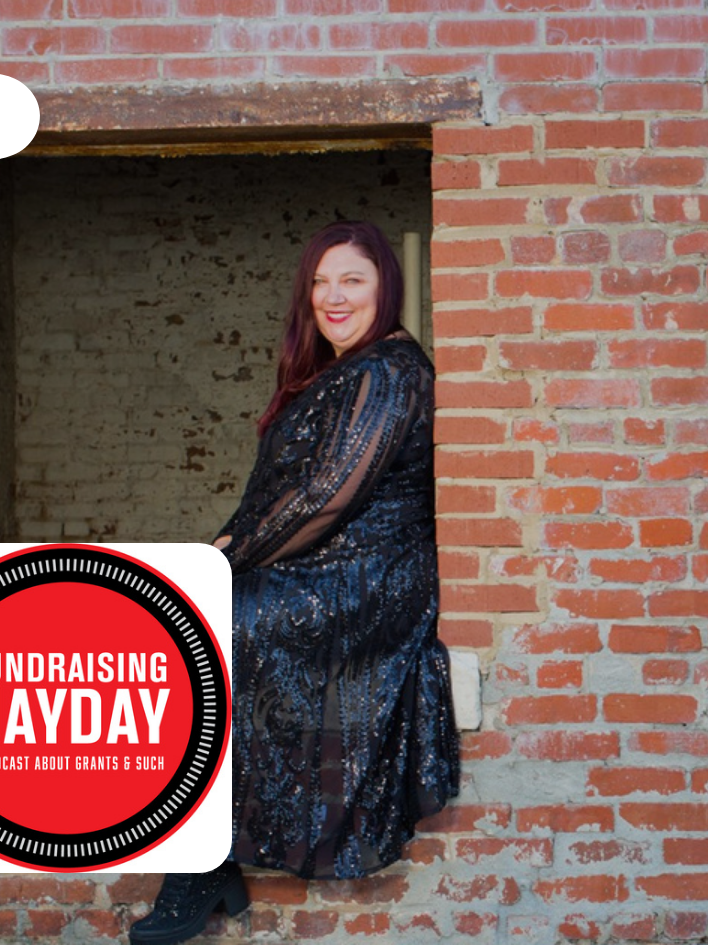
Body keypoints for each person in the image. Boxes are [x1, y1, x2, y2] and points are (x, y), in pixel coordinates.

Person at [129, 221, 460, 944]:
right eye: (320, 282)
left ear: (386, 288)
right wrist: (220, 553)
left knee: (197, 624)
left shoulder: (389, 370)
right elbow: (277, 501)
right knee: (168, 611)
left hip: (365, 582)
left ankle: (200, 862)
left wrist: (225, 558)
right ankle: (205, 858)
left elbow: (326, 500)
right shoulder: (339, 372)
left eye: (353, 280)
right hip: (316, 570)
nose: (333, 296)